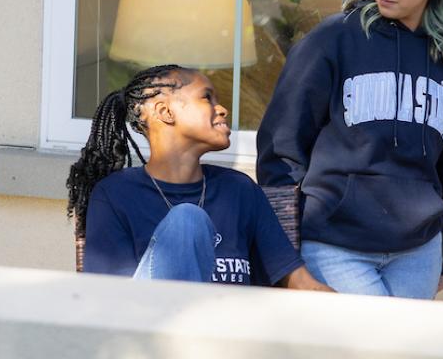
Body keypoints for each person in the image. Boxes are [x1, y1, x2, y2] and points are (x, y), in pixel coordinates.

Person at [256, 0, 443, 299]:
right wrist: (285, 253)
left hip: (418, 250)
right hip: (333, 243)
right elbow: (282, 145)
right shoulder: (334, 40)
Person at [66, 64, 329, 290]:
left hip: (228, 341)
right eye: (207, 98)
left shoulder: (239, 190)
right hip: (151, 337)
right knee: (186, 221)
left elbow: (300, 283)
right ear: (165, 112)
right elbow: (111, 300)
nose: (223, 109)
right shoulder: (116, 195)